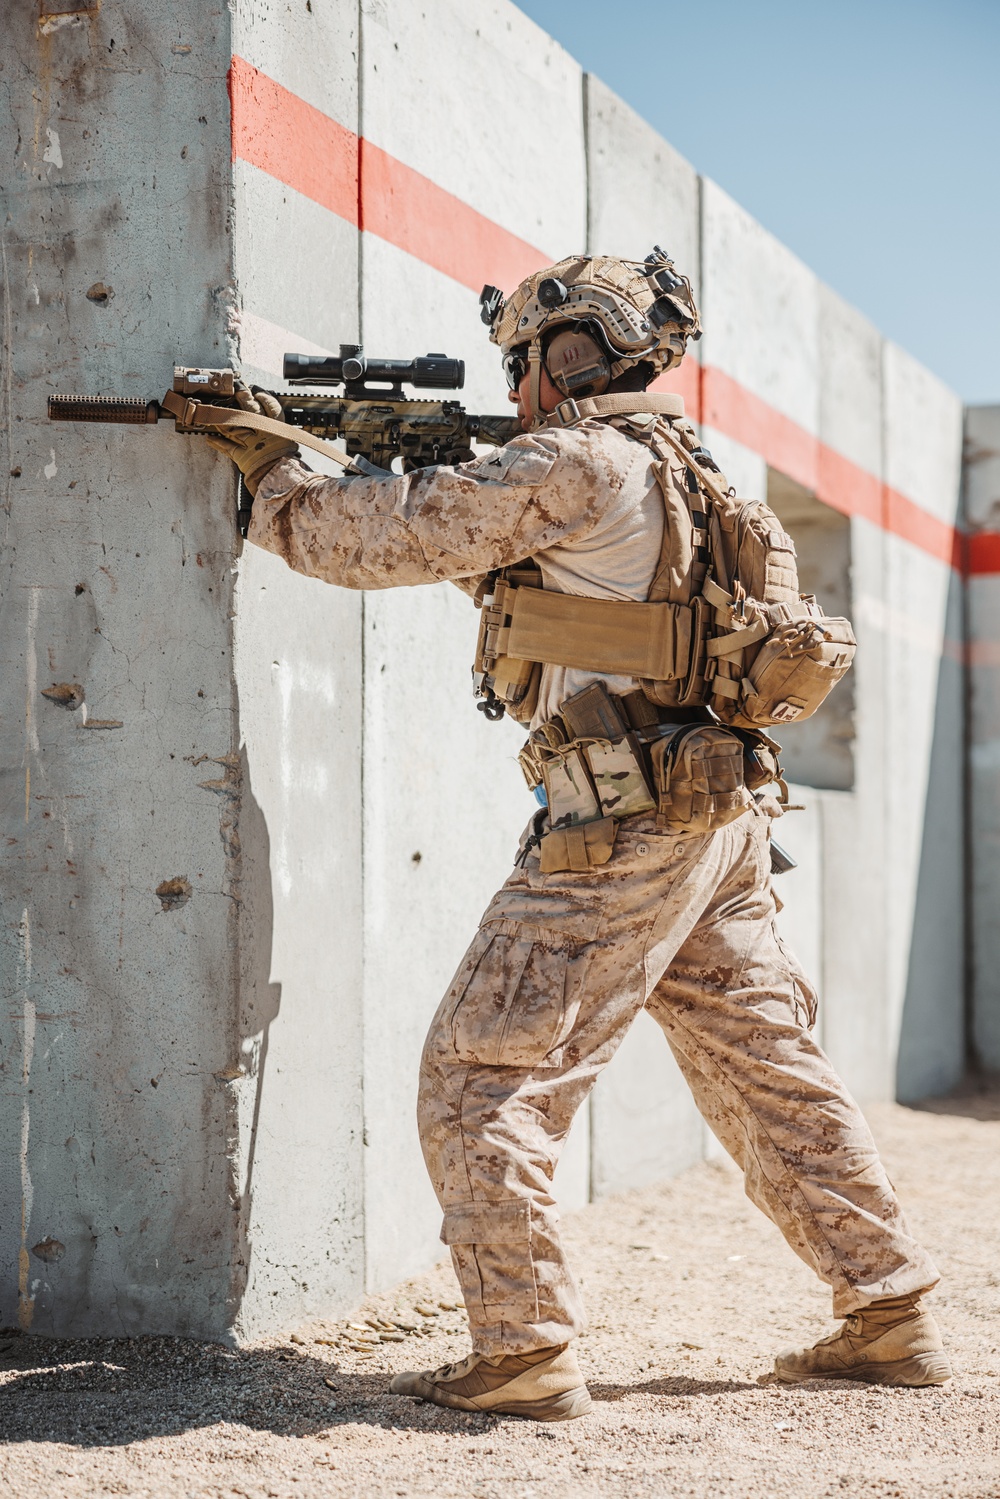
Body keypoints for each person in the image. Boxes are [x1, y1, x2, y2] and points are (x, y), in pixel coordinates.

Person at [204, 253, 951, 1422]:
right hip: (715, 823)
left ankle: (523, 1347)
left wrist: (274, 470)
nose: (524, 382)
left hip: (621, 819)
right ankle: (890, 1305)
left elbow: (369, 541)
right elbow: (563, 604)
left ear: (562, 355)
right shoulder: (694, 475)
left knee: (478, 1079)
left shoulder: (569, 461)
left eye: (527, 360)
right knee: (768, 1071)